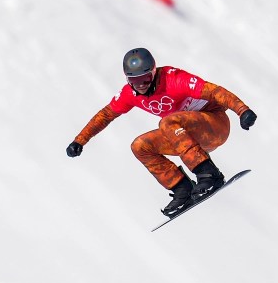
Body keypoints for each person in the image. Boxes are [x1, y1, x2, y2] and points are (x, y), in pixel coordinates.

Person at [67, 48, 257, 216]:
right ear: (127, 79)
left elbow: (214, 91)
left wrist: (242, 110)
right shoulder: (130, 94)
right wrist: (80, 140)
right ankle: (182, 188)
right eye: (135, 80)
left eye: (146, 79)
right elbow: (107, 114)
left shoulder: (173, 79)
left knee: (167, 122)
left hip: (215, 125)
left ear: (154, 72)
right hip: (184, 136)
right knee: (140, 146)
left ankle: (209, 175)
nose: (141, 85)